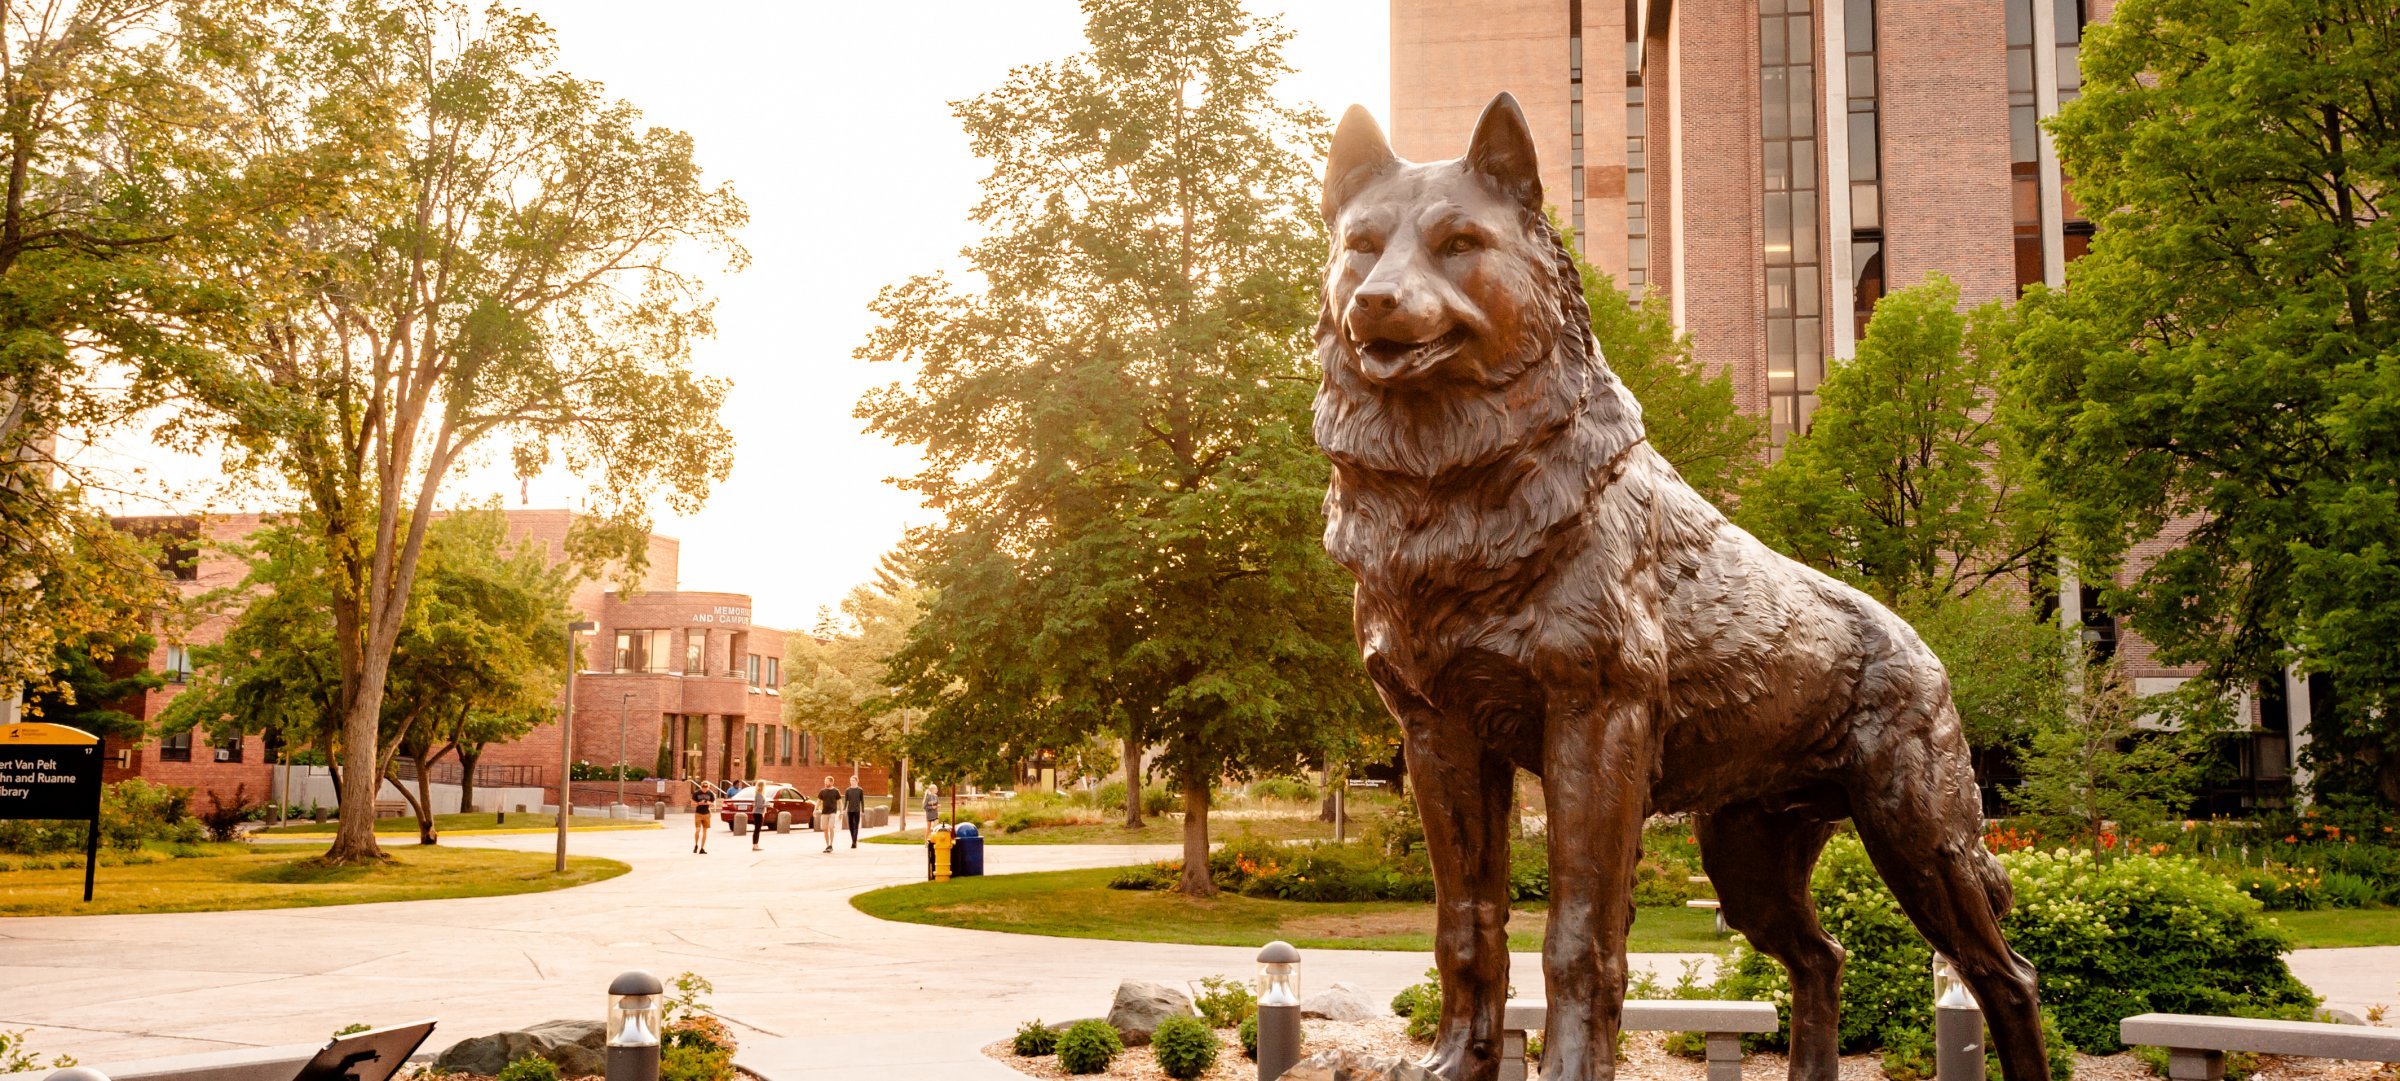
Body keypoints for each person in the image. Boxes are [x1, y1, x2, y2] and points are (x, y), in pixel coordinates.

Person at [815, 776, 840, 853]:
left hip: (833, 812)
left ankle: (831, 845)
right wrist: (815, 809)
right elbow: (818, 801)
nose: (825, 782)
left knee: (831, 827)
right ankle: (827, 845)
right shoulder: (822, 791)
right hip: (824, 812)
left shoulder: (836, 791)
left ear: (831, 782)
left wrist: (841, 811)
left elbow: (840, 802)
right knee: (825, 829)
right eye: (825, 781)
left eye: (827, 781)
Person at [843, 773, 866, 848]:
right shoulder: (848, 790)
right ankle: (853, 840)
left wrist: (862, 810)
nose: (851, 782)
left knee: (856, 826)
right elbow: (846, 801)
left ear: (857, 781)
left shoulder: (860, 790)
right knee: (851, 826)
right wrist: (844, 810)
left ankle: (854, 842)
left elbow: (862, 801)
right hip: (850, 810)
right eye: (851, 780)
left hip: (857, 810)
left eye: (853, 780)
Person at [691, 783, 714, 854]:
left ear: (708, 787)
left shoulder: (710, 794)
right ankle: (696, 845)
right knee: (697, 830)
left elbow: (713, 803)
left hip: (706, 814)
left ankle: (702, 848)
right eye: (703, 787)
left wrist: (708, 803)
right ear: (701, 787)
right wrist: (699, 803)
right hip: (698, 813)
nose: (704, 788)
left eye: (706, 787)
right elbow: (692, 804)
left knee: (705, 831)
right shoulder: (696, 793)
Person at [749, 783, 768, 851]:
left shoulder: (759, 794)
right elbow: (759, 805)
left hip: (758, 813)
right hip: (758, 813)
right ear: (762, 786)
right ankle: (755, 845)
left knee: (757, 829)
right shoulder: (759, 794)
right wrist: (767, 805)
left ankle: (756, 845)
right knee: (757, 829)